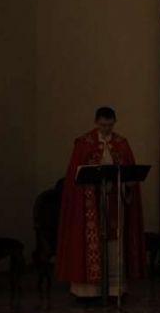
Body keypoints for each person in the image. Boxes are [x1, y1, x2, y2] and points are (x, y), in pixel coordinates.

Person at [55, 107, 146, 298]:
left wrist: (127, 185)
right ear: (96, 122)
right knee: (90, 241)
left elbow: (129, 172)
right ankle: (88, 291)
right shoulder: (84, 143)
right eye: (103, 125)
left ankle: (114, 288)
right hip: (89, 203)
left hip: (115, 201)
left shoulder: (121, 143)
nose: (106, 129)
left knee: (114, 242)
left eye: (110, 125)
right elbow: (74, 178)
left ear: (114, 122)